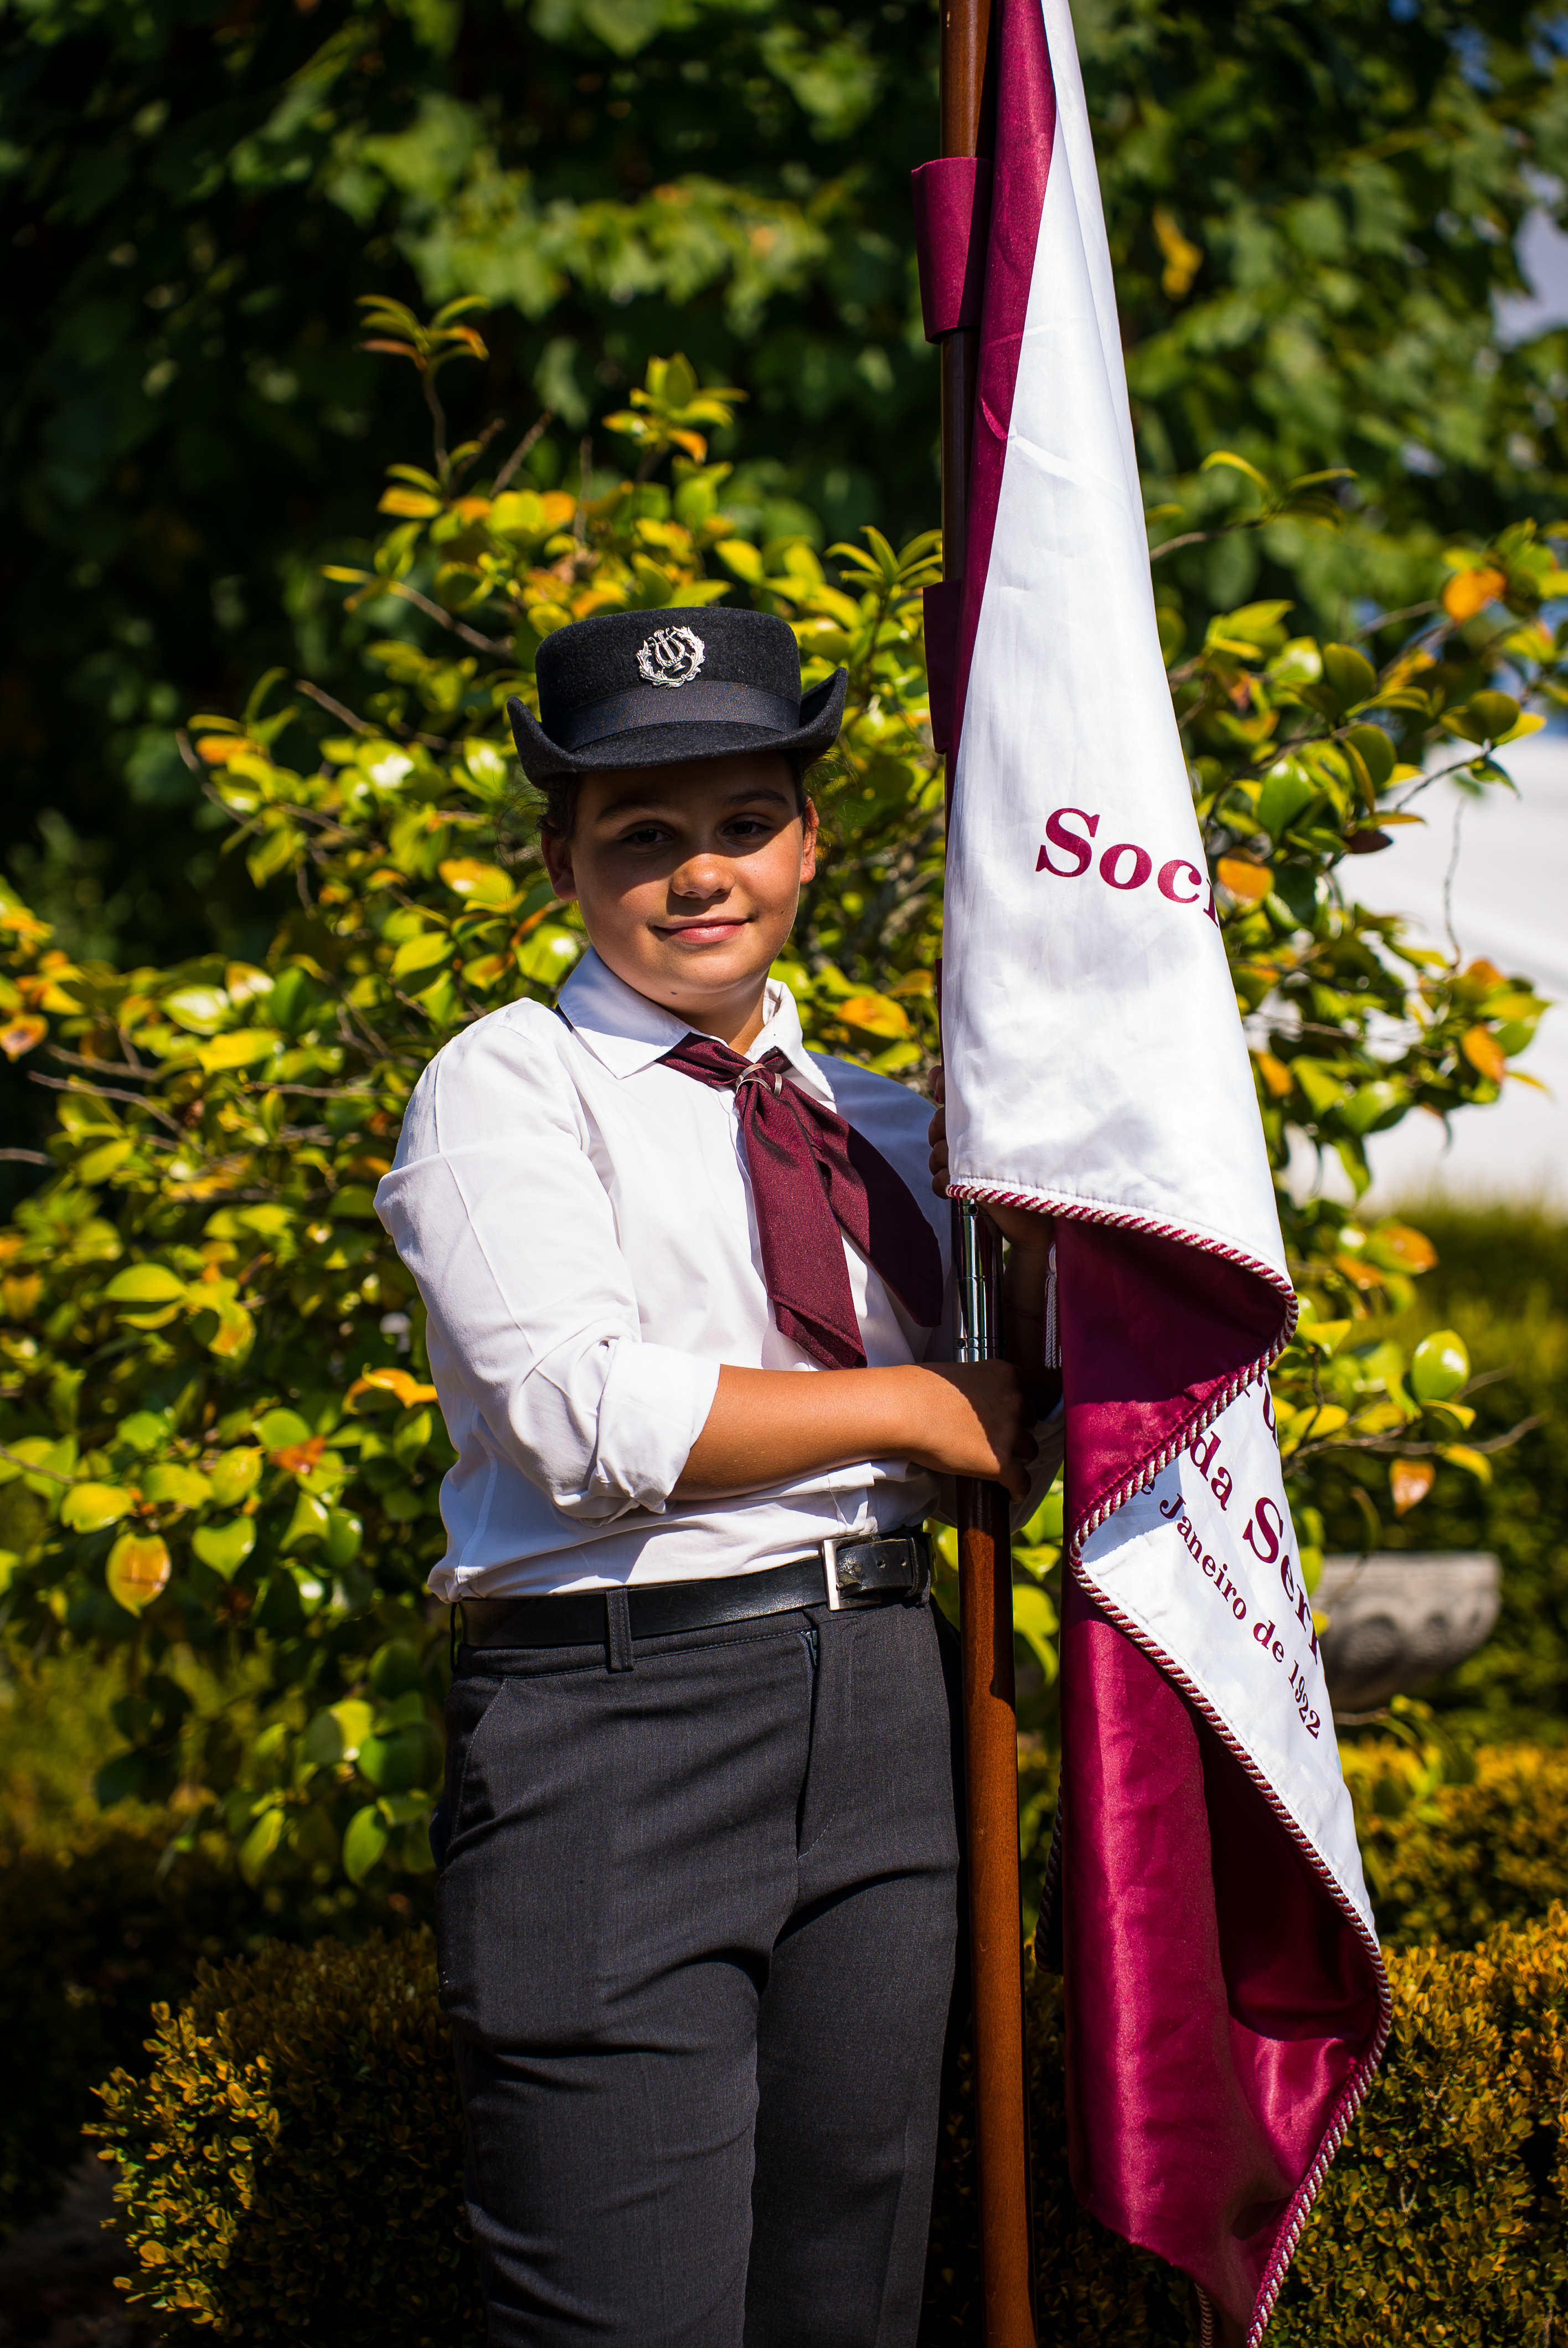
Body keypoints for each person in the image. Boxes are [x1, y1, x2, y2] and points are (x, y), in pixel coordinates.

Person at [375, 606, 1061, 2348]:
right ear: (565, 861)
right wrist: (917, 1404)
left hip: (895, 1714)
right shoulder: (508, 1088)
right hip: (623, 1730)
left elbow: (1025, 1414)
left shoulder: (900, 1127)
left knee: (852, 2296)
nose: (702, 875)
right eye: (644, 836)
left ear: (810, 838)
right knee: (632, 2318)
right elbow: (577, 1416)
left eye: (743, 821)